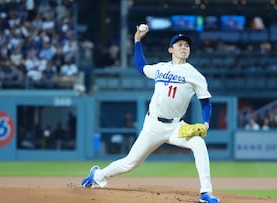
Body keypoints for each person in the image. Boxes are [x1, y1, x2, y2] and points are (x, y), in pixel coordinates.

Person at [81, 25, 219, 203]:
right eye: (179, 45)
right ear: (171, 50)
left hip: (176, 126)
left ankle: (205, 192)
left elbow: (205, 101)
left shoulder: (195, 75)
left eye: (186, 45)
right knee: (131, 162)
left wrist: (206, 123)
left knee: (199, 144)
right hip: (153, 125)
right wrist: (137, 40)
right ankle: (98, 175)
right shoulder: (160, 68)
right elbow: (141, 67)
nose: (184, 47)